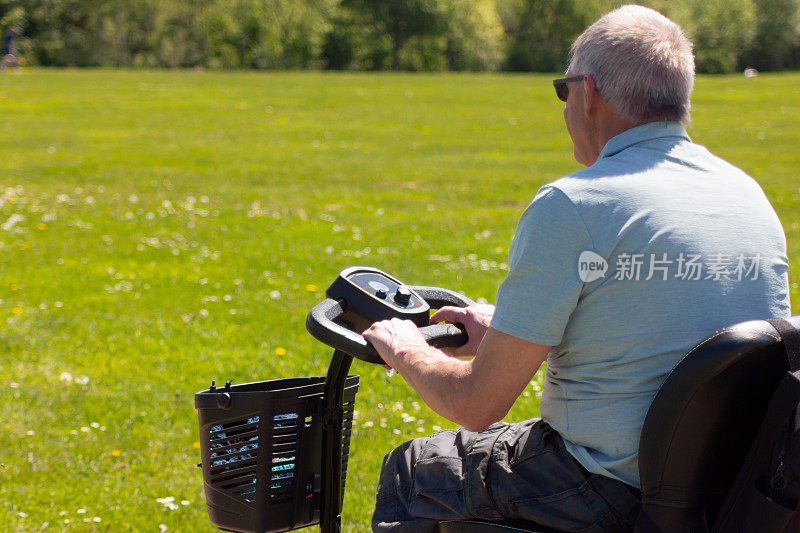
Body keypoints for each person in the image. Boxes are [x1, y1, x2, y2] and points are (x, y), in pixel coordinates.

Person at [363, 5, 791, 533]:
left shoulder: (576, 204)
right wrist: (510, 335)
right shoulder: (746, 194)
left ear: (588, 93)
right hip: (727, 485)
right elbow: (661, 344)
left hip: (606, 489)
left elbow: (477, 404)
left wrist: (405, 348)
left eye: (563, 92)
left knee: (412, 471)